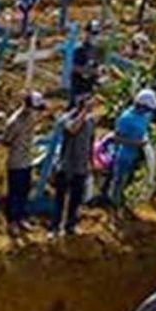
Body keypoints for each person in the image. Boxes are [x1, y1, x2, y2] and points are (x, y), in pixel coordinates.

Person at [0, 90, 46, 237]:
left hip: (27, 159)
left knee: (24, 190)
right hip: (16, 160)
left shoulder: (31, 118)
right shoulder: (14, 121)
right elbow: (6, 141)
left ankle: (21, 217)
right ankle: (12, 221)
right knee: (14, 192)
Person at [108, 88, 156, 205]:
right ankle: (114, 204)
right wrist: (136, 143)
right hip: (124, 155)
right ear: (142, 106)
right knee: (119, 180)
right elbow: (117, 138)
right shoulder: (126, 118)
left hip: (136, 154)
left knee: (129, 179)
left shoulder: (145, 115)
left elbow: (146, 126)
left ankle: (123, 201)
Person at [50, 94, 94, 236]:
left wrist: (90, 162)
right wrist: (83, 113)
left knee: (75, 200)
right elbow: (73, 129)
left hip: (81, 167)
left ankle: (70, 226)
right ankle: (54, 227)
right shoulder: (67, 118)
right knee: (60, 199)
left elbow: (90, 142)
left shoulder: (91, 121)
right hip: (66, 165)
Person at [68, 21, 101, 101]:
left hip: (89, 88)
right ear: (86, 33)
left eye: (96, 34)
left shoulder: (95, 50)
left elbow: (96, 67)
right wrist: (93, 72)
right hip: (79, 88)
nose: (94, 36)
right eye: (92, 33)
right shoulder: (80, 49)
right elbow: (75, 68)